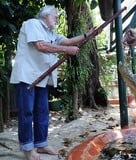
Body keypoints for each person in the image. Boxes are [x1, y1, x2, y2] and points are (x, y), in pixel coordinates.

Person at [10, 5, 95, 160]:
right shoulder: (32, 24)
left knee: (42, 111)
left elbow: (68, 41)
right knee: (27, 112)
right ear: (46, 16)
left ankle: (41, 144)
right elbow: (41, 46)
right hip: (27, 76)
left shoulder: (51, 33)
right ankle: (28, 148)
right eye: (55, 16)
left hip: (42, 78)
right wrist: (66, 51)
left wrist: (87, 35)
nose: (57, 19)